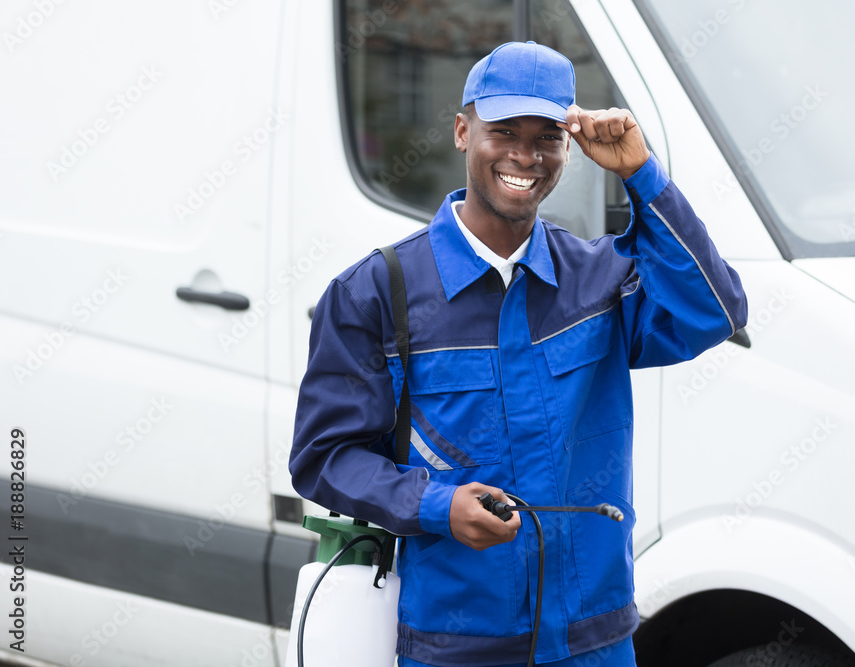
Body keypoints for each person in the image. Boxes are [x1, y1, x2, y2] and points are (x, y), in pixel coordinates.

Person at [290, 41, 747, 667]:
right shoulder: (375, 294)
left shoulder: (600, 281)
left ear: (567, 148)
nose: (524, 156)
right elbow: (326, 458)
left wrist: (642, 174)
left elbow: (716, 312)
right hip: (456, 648)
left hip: (596, 642)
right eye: (503, 132)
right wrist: (436, 507)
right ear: (461, 131)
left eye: (546, 138)